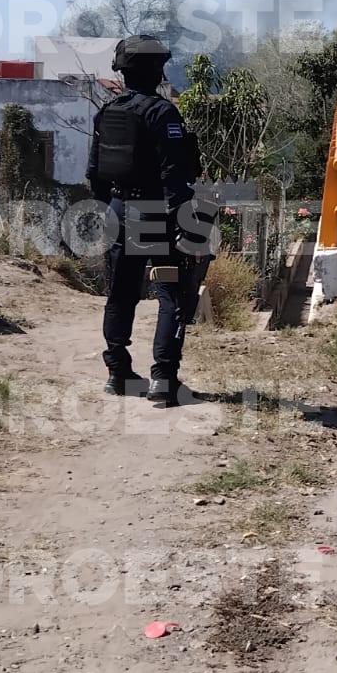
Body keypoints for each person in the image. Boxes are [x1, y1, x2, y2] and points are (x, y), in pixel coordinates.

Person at [88, 34, 206, 406]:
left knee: (121, 294)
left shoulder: (107, 112)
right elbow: (175, 175)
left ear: (122, 72)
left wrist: (118, 206)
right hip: (156, 216)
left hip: (119, 213)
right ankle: (163, 378)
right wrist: (181, 221)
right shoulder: (162, 112)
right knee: (171, 292)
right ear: (157, 70)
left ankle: (117, 372)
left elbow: (95, 176)